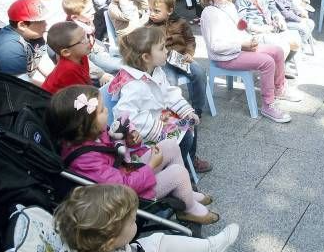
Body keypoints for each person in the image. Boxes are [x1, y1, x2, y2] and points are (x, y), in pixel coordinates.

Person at [47, 86, 218, 225]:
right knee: (178, 173)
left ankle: (184, 193)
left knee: (170, 146)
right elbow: (122, 187)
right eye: (101, 110)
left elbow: (116, 146)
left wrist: (131, 140)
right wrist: (151, 166)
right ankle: (187, 210)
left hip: (128, 172)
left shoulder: (92, 134)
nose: (107, 110)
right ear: (82, 126)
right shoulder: (85, 160)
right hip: (129, 197)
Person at [106, 26, 204, 187]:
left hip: (159, 117)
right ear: (146, 57)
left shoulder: (155, 69)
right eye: (161, 48)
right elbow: (126, 117)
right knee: (185, 136)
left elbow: (169, 93)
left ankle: (187, 162)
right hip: (143, 132)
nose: (167, 51)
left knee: (191, 122)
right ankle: (174, 172)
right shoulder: (133, 84)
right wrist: (159, 129)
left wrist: (186, 112)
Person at [200, 0, 292, 123]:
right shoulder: (209, 13)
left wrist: (249, 40)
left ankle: (279, 89)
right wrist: (241, 44)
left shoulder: (229, 6)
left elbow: (239, 29)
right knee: (267, 62)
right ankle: (268, 105)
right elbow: (215, 46)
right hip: (225, 57)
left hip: (237, 49)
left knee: (277, 51)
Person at [53, 184, 238, 252]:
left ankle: (211, 247)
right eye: (133, 221)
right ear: (110, 241)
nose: (136, 222)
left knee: (158, 241)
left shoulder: (87, 243)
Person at [147, 0, 212, 173]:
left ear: (170, 10)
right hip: (164, 62)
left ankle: (197, 110)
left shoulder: (181, 22)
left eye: (156, 10)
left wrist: (190, 54)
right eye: (150, 9)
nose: (151, 13)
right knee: (170, 82)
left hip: (182, 57)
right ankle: (176, 112)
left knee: (199, 73)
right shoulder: (148, 28)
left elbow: (190, 40)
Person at [236, 0, 302, 78]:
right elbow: (241, 23)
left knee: (296, 42)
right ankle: (277, 83)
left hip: (270, 29)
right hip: (255, 35)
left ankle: (280, 67)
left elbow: (272, 7)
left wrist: (278, 18)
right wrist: (261, 29)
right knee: (283, 47)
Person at [0, 0, 52, 86]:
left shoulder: (32, 34)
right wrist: (54, 89)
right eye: (41, 21)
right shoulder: (10, 47)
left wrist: (54, 80)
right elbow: (21, 84)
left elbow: (40, 60)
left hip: (18, 80)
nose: (46, 24)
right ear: (22, 25)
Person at [62, 0, 122, 75]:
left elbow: (92, 36)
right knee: (121, 66)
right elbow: (82, 60)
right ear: (75, 17)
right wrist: (100, 74)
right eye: (88, 11)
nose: (93, 11)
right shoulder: (75, 36)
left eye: (92, 7)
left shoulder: (85, 19)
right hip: (89, 56)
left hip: (94, 46)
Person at [42, 21, 111, 94]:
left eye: (86, 36)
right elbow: (83, 95)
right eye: (82, 40)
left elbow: (87, 80)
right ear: (66, 52)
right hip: (51, 100)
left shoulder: (81, 55)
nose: (88, 40)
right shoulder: (69, 70)